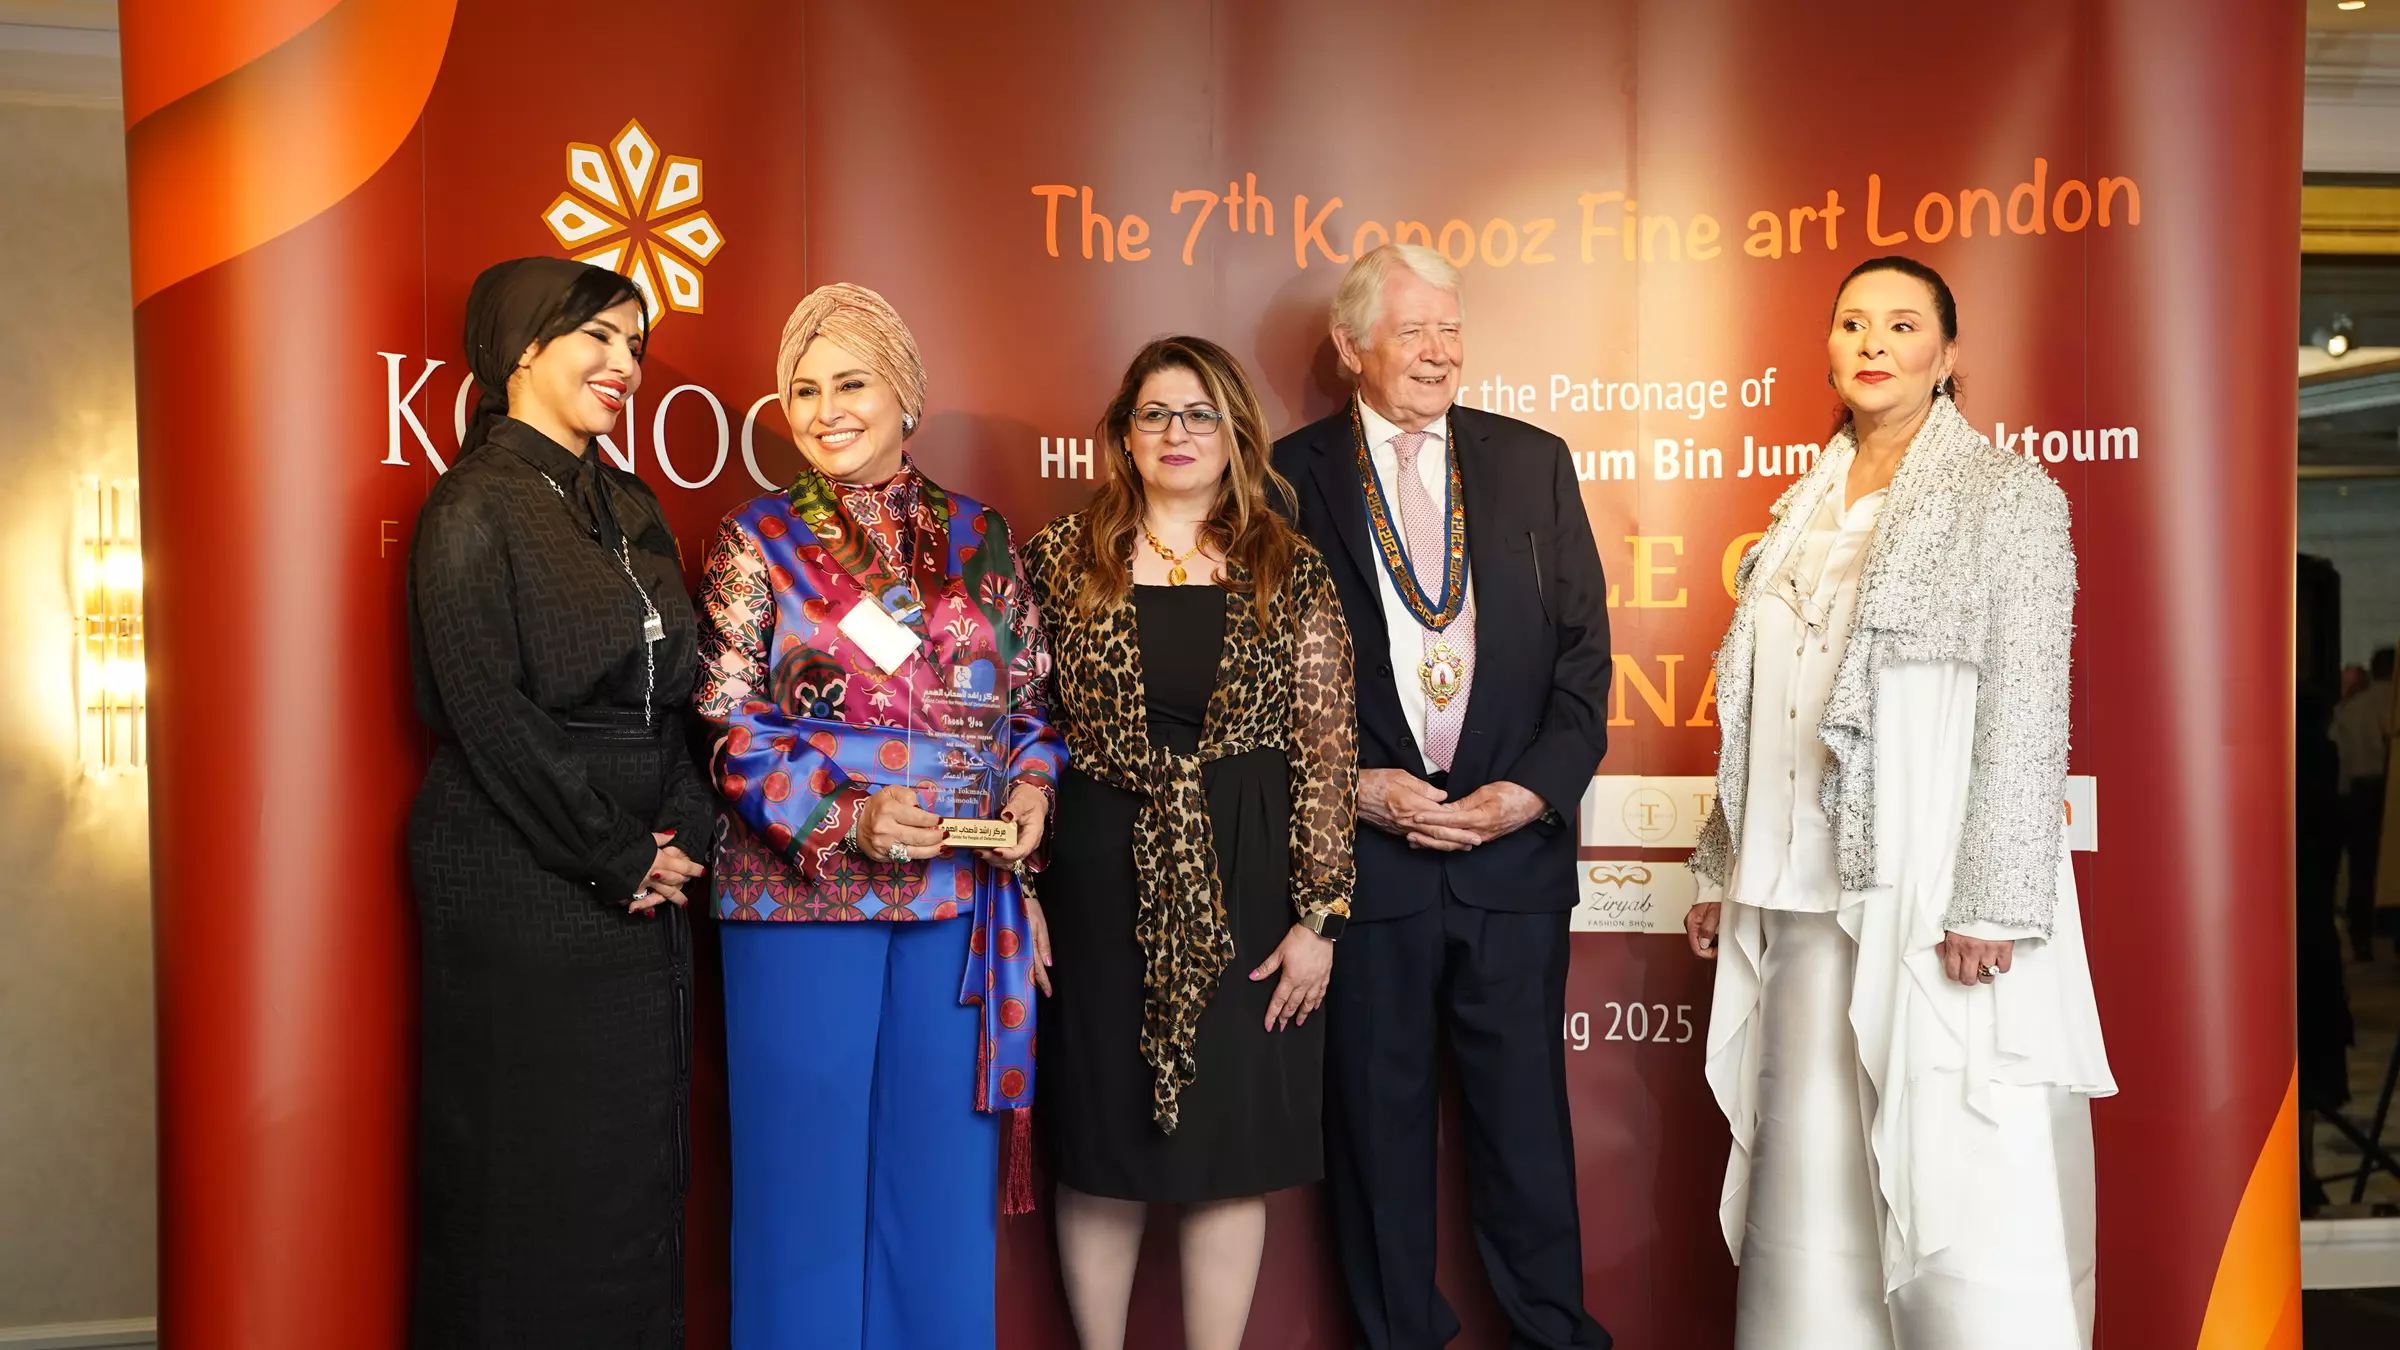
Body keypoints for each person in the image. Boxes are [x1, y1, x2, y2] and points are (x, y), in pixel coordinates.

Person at [1683, 256, 2116, 1350]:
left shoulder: (2009, 498)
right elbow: (1764, 706)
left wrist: (1993, 901)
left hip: (1933, 905)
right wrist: (1722, 865)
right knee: (1811, 1192)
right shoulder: (1799, 509)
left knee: (1961, 1181)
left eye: (1904, 324)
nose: (1874, 342)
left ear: (1948, 354)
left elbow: (2028, 711)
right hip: (1798, 906)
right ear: (1829, 349)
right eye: (1852, 322)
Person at [693, 282, 1066, 1350]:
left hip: (955, 897)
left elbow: (1030, 704)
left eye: (850, 383)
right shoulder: (756, 539)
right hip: (798, 900)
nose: (826, 410)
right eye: (804, 390)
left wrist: (1033, 788)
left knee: (939, 1192)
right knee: (800, 1195)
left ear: (905, 393)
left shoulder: (983, 537)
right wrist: (847, 818)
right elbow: (726, 721)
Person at [1272, 244, 1614, 1350]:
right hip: (1369, 869)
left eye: (1450, 328)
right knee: (1378, 1140)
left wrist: (1532, 794)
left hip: (1511, 861)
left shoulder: (1533, 462)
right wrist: (1349, 788)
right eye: (1412, 329)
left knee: (1527, 1135)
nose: (1438, 351)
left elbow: (1584, 663)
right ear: (1350, 346)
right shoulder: (1283, 479)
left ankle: (1556, 1335)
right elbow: (1257, 683)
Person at [1022, 337, 1358, 1350]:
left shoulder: (1288, 567)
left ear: (1236, 435)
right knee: (1101, 1146)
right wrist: (1018, 889)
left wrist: (1320, 918)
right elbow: (1015, 727)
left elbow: (1327, 749)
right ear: (1125, 435)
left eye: (1201, 413)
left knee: (1229, 1152)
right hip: (1096, 880)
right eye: (1156, 413)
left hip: (1249, 879)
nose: (1178, 433)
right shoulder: (1058, 557)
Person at [406, 257, 712, 1350]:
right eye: (600, 337)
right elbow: (486, 710)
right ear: (523, 348)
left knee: (631, 1179)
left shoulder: (628, 504)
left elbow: (676, 694)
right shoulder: (472, 504)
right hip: (521, 882)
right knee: (531, 1179)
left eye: (636, 344)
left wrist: (684, 832)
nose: (625, 363)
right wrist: (618, 854)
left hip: (645, 881)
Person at [2334, 646, 2394, 960]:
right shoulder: (2393, 704)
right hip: (2393, 790)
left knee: (2362, 869)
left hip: (2360, 795)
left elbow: (2339, 758)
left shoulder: (2353, 710)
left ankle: (2362, 941)